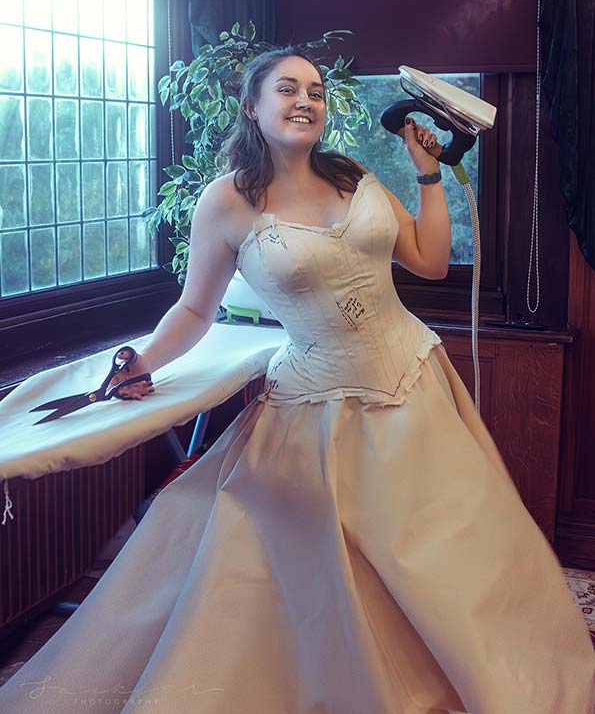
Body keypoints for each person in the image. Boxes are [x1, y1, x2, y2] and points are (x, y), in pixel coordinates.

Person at [1, 47, 594, 713]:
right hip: (316, 410)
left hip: (415, 385)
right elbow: (195, 308)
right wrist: (138, 364)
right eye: (287, 88)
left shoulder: (354, 174)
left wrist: (427, 174)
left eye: (315, 90)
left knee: (450, 553)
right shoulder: (225, 201)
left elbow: (428, 261)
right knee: (314, 576)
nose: (305, 99)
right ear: (250, 106)